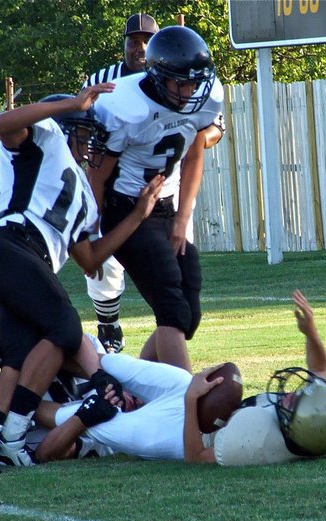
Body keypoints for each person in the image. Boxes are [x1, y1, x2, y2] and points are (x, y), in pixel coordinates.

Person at [0, 85, 164, 474]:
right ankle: (13, 436)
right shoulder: (43, 136)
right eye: (82, 131)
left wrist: (138, 216)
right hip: (13, 245)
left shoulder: (82, 192)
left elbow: (91, 260)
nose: (89, 143)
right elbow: (3, 122)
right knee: (64, 327)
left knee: (15, 362)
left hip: (27, 263)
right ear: (63, 125)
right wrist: (72, 104)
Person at [33, 290, 326, 466]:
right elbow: (319, 370)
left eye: (294, 402)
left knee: (87, 416)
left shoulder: (254, 444)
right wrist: (311, 333)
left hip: (176, 434)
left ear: (297, 427)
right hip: (193, 395)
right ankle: (48, 351)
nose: (291, 393)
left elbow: (195, 456)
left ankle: (23, 405)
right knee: (112, 363)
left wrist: (192, 399)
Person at [83, 15, 225, 355]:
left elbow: (194, 154)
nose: (190, 92)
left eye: (195, 83)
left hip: (167, 206)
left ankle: (138, 375)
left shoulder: (203, 98)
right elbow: (97, 175)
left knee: (188, 315)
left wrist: (182, 219)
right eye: (181, 83)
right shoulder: (124, 104)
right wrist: (94, 231)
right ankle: (181, 390)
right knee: (171, 307)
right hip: (126, 206)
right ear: (160, 76)